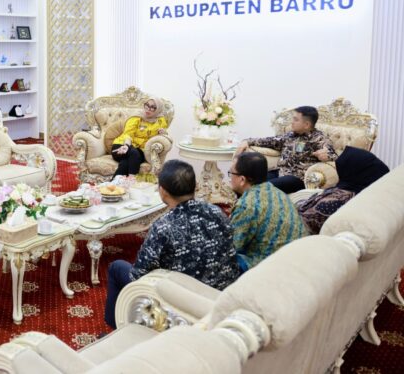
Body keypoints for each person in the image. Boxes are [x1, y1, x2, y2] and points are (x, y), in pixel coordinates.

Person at [103, 160, 239, 329]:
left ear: (163, 191)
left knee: (117, 267)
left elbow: (138, 276)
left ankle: (116, 327)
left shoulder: (163, 226)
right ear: (195, 186)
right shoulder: (217, 212)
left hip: (182, 300)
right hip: (220, 294)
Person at [229, 152, 308, 272]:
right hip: (297, 258)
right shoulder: (278, 192)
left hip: (272, 268)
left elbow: (233, 245)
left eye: (231, 173)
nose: (230, 177)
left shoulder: (246, 205)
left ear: (242, 179)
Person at [234, 105, 337, 193]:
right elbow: (269, 140)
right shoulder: (290, 136)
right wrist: (247, 141)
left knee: (263, 188)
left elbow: (334, 156)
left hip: (297, 178)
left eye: (296, 120)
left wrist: (327, 156)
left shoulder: (319, 138)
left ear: (306, 125)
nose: (292, 122)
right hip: (280, 173)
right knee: (248, 181)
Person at [297, 147, 389, 233]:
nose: (339, 168)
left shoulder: (335, 202)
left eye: (344, 165)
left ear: (353, 170)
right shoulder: (349, 190)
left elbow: (300, 225)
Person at [110, 97, 168, 178]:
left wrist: (164, 133)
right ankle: (132, 180)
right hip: (121, 147)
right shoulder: (136, 118)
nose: (148, 109)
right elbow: (128, 135)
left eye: (153, 107)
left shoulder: (160, 121)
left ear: (158, 109)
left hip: (140, 150)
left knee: (126, 162)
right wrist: (126, 146)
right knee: (133, 153)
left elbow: (163, 135)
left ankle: (113, 183)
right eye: (147, 105)